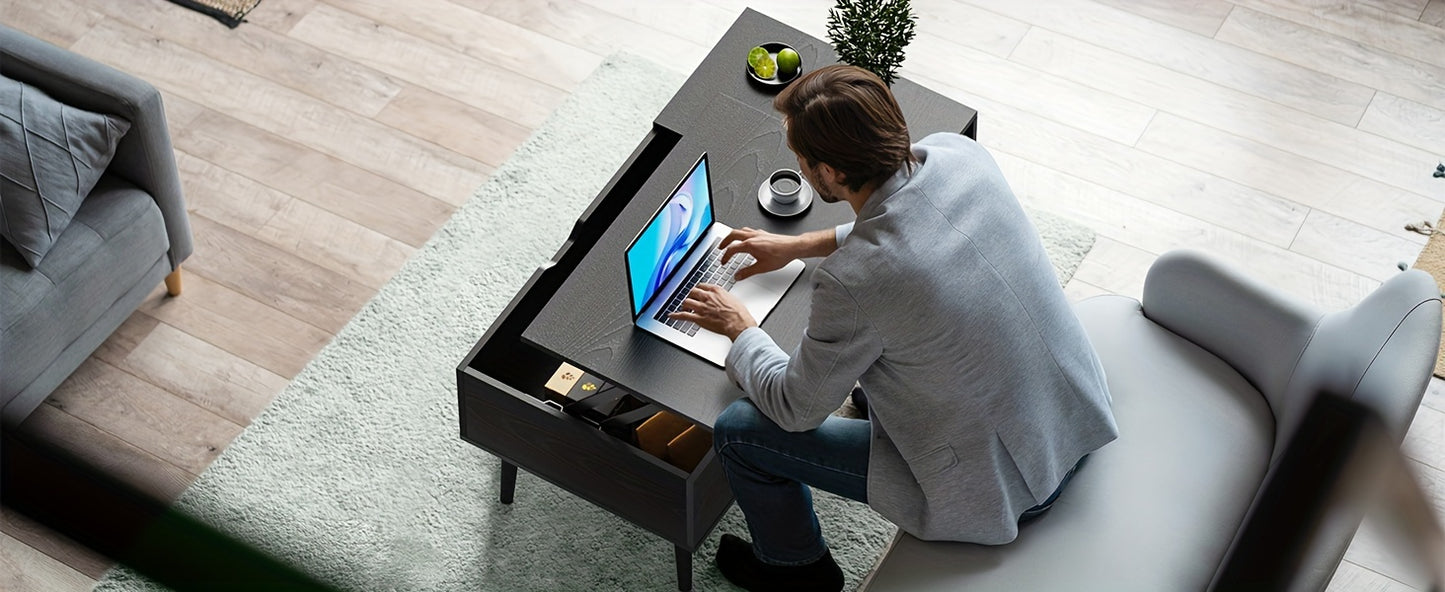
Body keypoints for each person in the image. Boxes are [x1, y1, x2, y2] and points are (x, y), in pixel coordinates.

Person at [667, 65, 1119, 592]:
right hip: (1070, 418)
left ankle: (795, 570)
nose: (797, 165)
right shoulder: (957, 156)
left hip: (1007, 485)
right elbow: (909, 220)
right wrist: (798, 244)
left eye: (800, 158)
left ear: (830, 173)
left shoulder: (857, 280)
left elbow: (795, 409)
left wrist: (740, 329)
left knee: (739, 431)